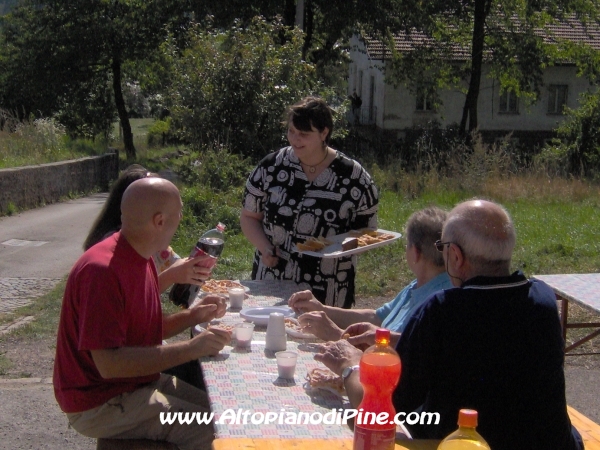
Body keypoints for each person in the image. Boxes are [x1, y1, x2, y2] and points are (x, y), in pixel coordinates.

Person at [315, 199, 583, 450]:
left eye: (442, 247)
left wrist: (348, 364)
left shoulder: (443, 310)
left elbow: (383, 409)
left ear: (455, 255)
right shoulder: (543, 300)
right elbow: (492, 348)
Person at [53, 178, 231, 449]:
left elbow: (143, 330)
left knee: (224, 416)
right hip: (99, 402)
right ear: (159, 221)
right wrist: (192, 348)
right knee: (216, 436)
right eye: (179, 212)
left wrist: (194, 317)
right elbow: (110, 364)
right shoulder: (102, 271)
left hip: (130, 385)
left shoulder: (140, 254)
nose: (181, 217)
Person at [241, 96, 379, 308]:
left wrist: (334, 248)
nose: (295, 139)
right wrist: (265, 248)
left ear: (324, 133)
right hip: (273, 282)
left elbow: (367, 233)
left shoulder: (354, 178)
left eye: (304, 134)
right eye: (291, 131)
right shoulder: (271, 167)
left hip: (329, 287)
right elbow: (249, 216)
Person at [288, 206, 452, 343]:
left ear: (415, 252)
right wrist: (323, 309)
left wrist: (335, 334)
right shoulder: (421, 284)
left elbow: (399, 356)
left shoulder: (438, 303)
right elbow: (376, 317)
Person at [84, 164, 208, 296]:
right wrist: (171, 276)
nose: (180, 218)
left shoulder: (145, 242)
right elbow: (134, 299)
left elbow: (175, 264)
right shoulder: (112, 259)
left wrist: (197, 265)